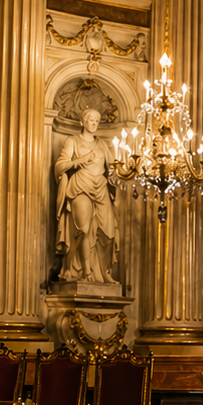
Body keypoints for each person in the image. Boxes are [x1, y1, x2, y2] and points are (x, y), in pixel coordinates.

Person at [53, 108, 118, 284]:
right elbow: (60, 165)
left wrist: (118, 176)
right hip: (80, 186)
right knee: (83, 227)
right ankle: (85, 271)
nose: (94, 123)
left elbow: (114, 169)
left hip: (101, 189)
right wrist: (78, 161)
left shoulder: (103, 145)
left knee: (108, 232)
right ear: (82, 122)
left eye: (97, 120)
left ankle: (104, 272)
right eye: (90, 120)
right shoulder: (72, 141)